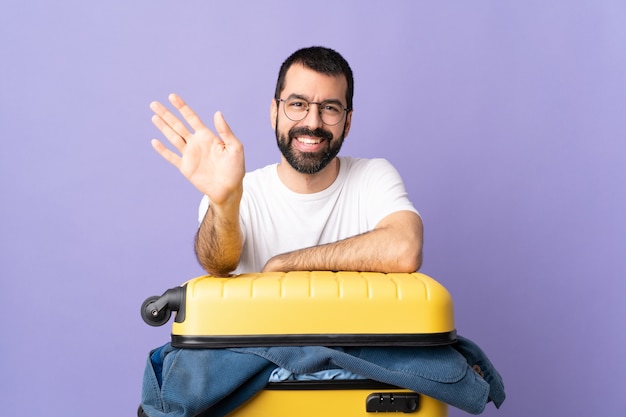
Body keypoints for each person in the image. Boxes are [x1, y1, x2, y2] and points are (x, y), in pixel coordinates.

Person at [150, 46, 423, 276]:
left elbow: (405, 248)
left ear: (347, 122)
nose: (312, 122)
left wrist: (286, 264)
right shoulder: (239, 191)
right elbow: (218, 264)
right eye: (298, 104)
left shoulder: (373, 177)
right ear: (274, 113)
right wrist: (223, 205)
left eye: (329, 108)